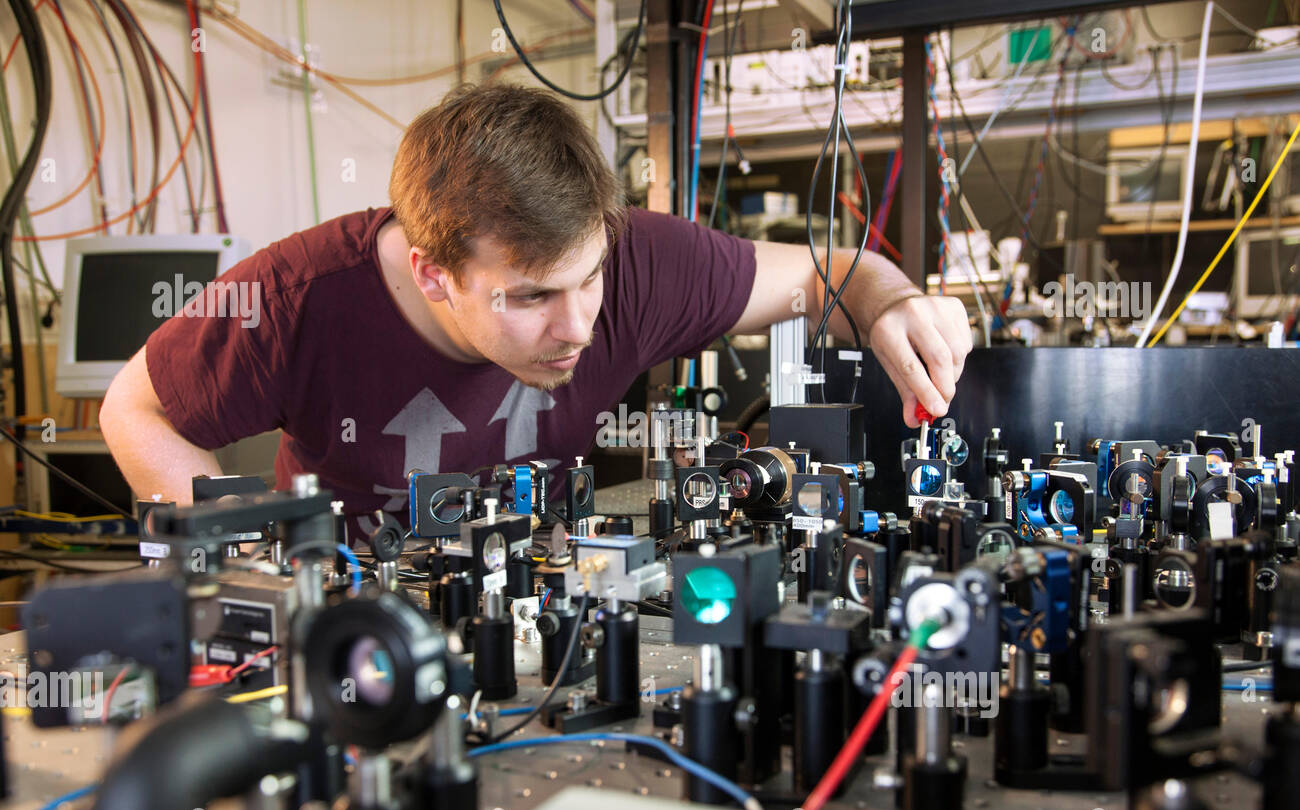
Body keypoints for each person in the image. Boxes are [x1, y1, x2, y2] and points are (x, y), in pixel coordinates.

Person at [99, 83, 971, 548]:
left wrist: (894, 303)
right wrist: (260, 560)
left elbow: (837, 275)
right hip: (359, 630)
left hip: (544, 610)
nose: (579, 325)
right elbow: (133, 409)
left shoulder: (638, 263)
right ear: (433, 275)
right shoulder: (296, 299)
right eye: (530, 297)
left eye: (587, 277)